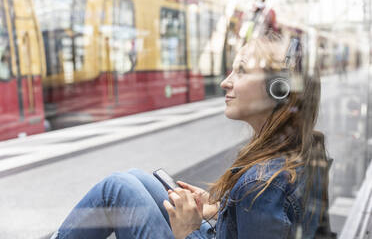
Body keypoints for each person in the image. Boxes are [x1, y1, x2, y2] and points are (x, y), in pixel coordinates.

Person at [52, 33, 331, 239]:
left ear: (278, 90)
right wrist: (219, 209)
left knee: (117, 188)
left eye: (242, 71)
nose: (225, 82)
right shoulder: (303, 148)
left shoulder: (260, 186)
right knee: (135, 178)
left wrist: (184, 232)